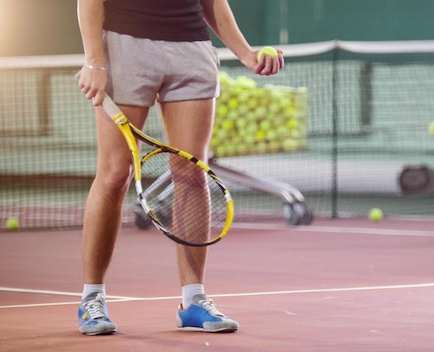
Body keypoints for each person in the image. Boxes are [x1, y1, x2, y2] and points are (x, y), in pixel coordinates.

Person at [76, 0, 284, 335]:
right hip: (124, 46)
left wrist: (245, 53)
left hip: (191, 48)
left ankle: (193, 300)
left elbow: (212, 2)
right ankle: (91, 298)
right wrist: (94, 61)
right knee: (115, 174)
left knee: (191, 174)